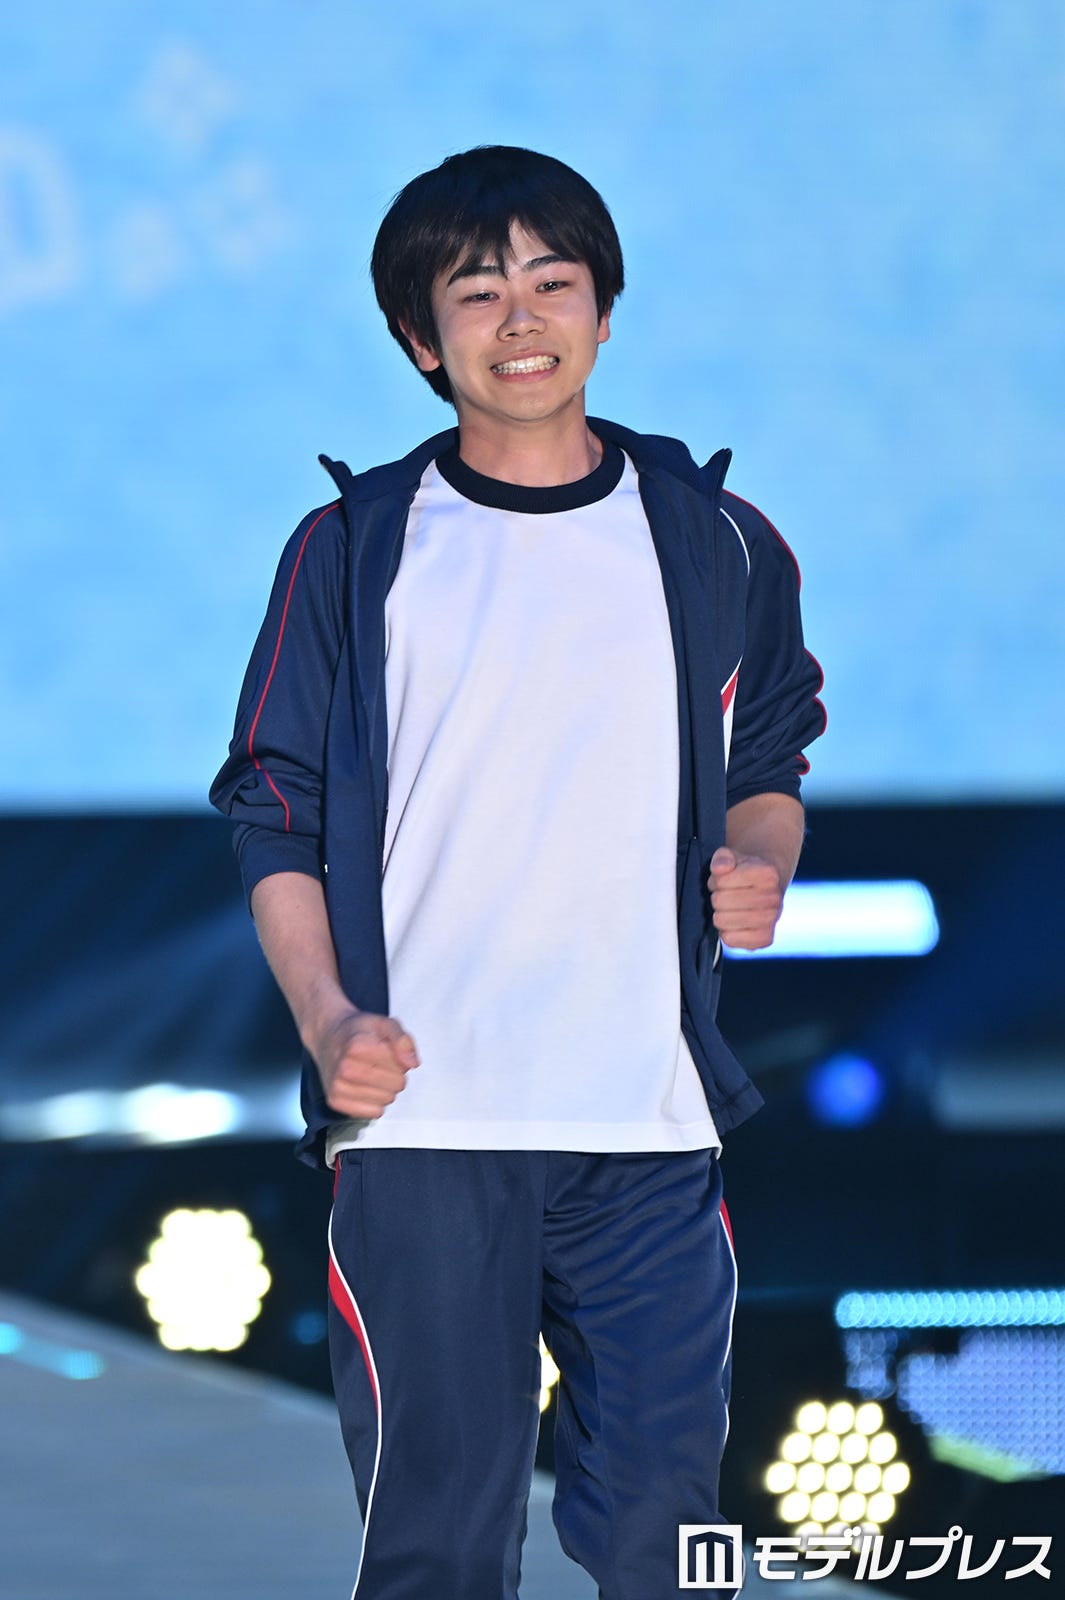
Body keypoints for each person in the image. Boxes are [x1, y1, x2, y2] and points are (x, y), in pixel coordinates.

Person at [210, 145, 824, 1599]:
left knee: (672, 1538)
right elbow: (274, 808)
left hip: (647, 1118)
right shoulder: (356, 547)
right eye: (477, 292)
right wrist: (330, 1027)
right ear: (422, 340)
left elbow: (771, 751)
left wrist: (758, 854)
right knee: (435, 1544)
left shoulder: (712, 537)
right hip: (424, 1123)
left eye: (554, 281)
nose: (523, 318)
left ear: (604, 310)